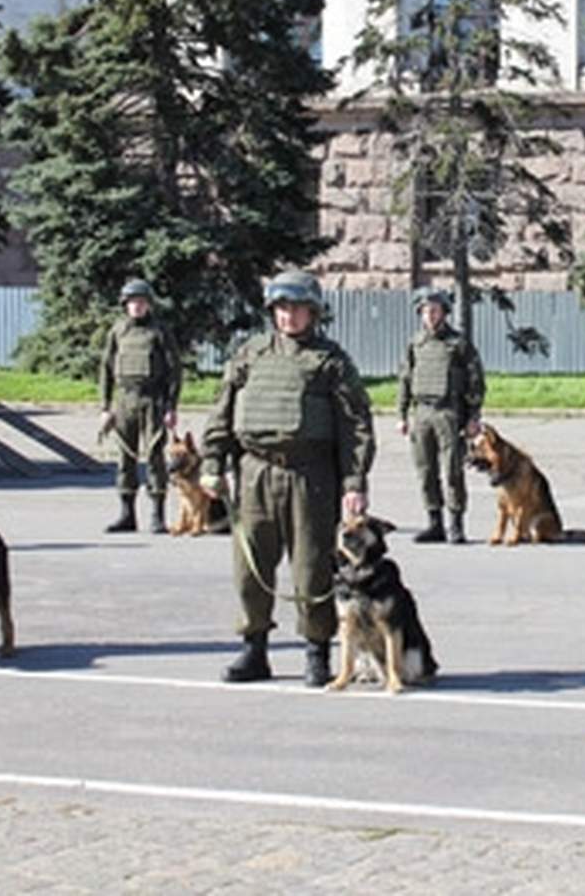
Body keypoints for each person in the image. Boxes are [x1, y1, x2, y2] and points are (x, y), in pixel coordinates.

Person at [200, 269, 374, 686]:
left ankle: (316, 652)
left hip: (309, 475)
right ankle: (254, 649)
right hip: (254, 473)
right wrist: (212, 464)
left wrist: (353, 484)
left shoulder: (330, 361)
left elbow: (355, 427)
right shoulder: (251, 354)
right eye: (281, 307)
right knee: (249, 568)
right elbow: (223, 411)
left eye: (296, 308)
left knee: (311, 569)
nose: (288, 316)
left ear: (312, 312)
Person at [395, 286, 485, 544]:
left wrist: (473, 416)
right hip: (421, 412)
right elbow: (405, 379)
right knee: (425, 470)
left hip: (449, 412)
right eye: (425, 311)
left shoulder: (458, 344)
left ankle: (456, 524)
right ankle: (434, 522)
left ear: (444, 312)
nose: (430, 315)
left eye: (435, 310)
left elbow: (476, 381)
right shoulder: (415, 343)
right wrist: (401, 414)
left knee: (453, 470)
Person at [97, 278, 182, 534]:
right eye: (133, 302)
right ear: (125, 304)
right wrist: (105, 407)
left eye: (142, 302)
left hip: (152, 400)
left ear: (149, 304)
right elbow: (106, 368)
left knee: (155, 456)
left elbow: (174, 370)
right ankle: (127, 514)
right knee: (125, 457)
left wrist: (171, 406)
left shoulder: (159, 331)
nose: (137, 306)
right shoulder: (118, 331)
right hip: (124, 400)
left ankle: (157, 515)